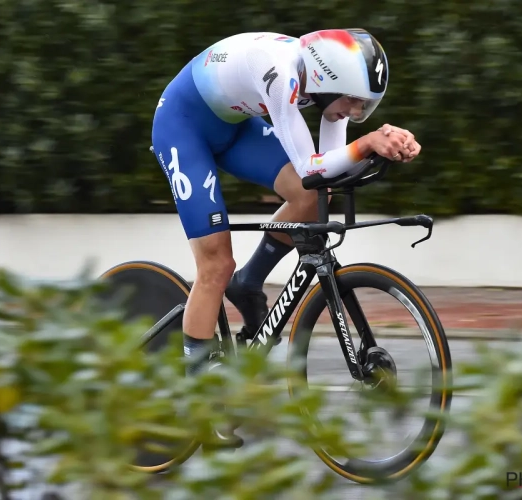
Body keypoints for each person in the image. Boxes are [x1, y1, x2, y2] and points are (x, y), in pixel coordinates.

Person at [151, 29, 421, 447]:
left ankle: (250, 282)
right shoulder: (278, 72)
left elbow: (324, 176)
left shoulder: (325, 84)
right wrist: (368, 143)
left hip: (232, 127)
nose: (355, 110)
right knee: (216, 265)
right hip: (183, 125)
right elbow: (314, 165)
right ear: (328, 77)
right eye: (353, 100)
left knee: (312, 199)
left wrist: (385, 144)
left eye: (365, 106)